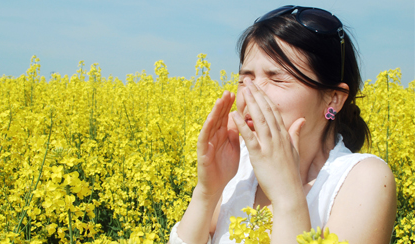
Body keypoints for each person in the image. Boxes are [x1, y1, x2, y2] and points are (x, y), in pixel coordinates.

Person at [168, 5, 396, 244]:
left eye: (276, 78)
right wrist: (207, 192)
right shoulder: (240, 168)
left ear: (333, 99)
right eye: (245, 79)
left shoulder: (364, 180)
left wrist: (287, 198)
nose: (251, 94)